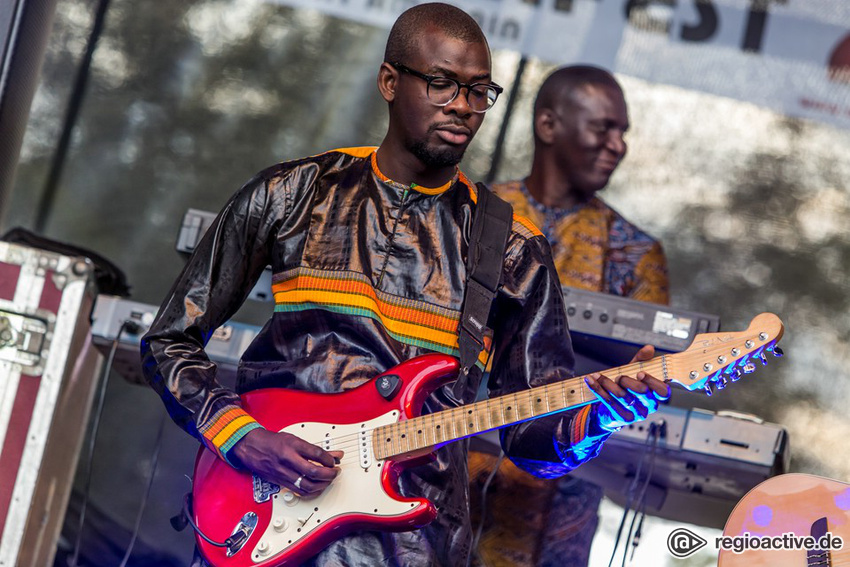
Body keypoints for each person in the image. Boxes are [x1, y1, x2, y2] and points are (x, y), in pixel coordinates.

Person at [140, 6, 669, 567]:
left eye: (479, 91)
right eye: (442, 83)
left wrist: (595, 419)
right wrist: (241, 436)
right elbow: (169, 342)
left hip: (410, 547)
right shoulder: (293, 193)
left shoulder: (514, 250)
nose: (463, 106)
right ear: (390, 82)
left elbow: (533, 442)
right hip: (261, 518)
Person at [468, 66, 670, 566]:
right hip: (436, 476)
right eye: (604, 128)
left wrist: (640, 382)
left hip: (554, 512)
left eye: (623, 133)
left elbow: (649, 375)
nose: (618, 145)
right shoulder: (471, 212)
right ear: (548, 125)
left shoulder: (636, 253)